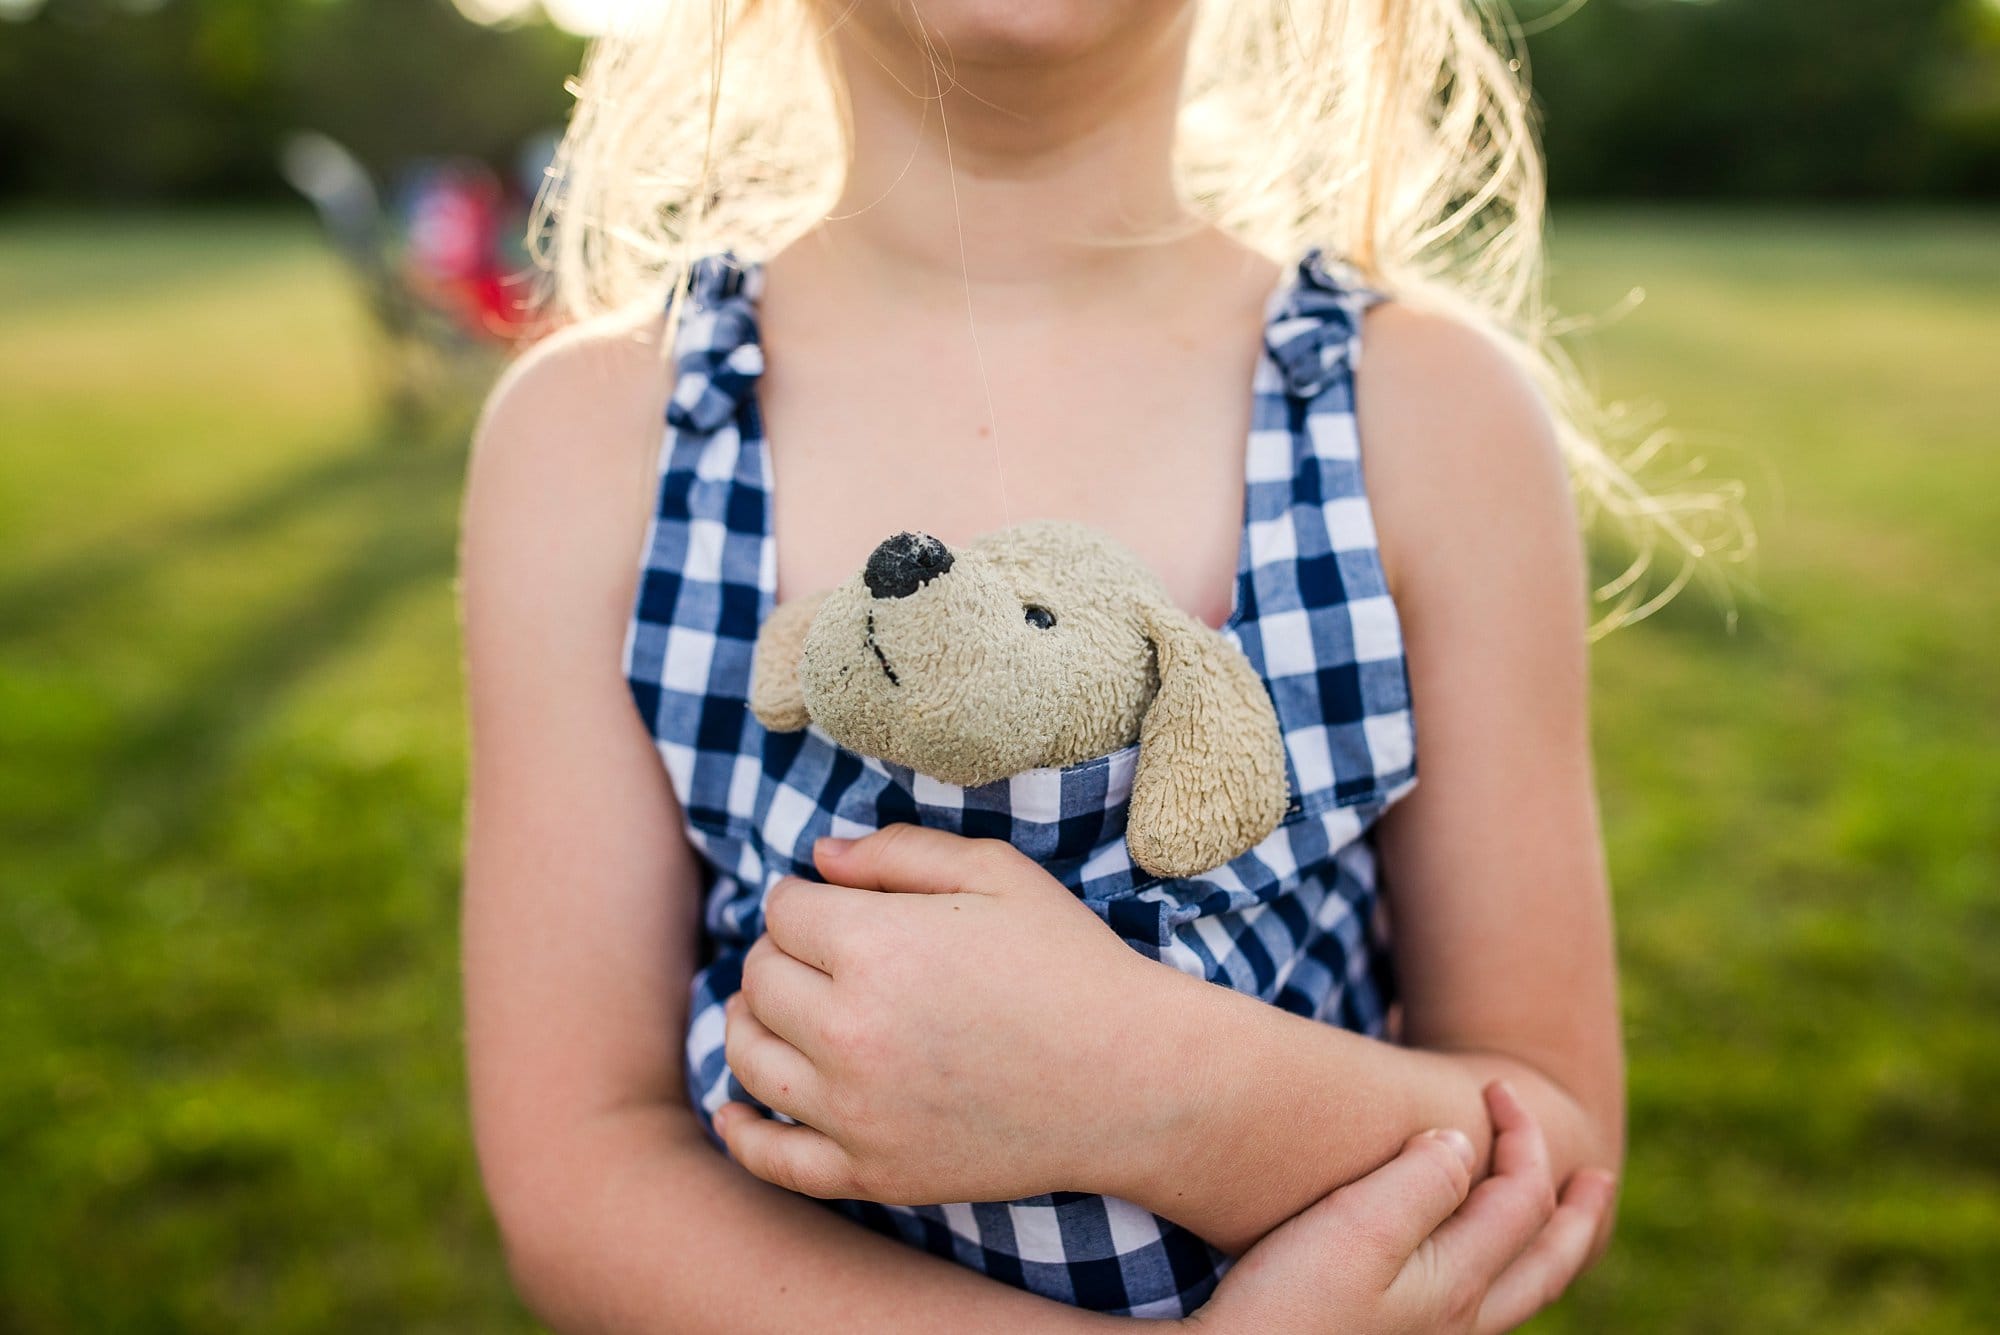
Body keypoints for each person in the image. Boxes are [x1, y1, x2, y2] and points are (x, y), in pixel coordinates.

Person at [460, 1, 1642, 1328]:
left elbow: (1553, 1138)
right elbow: (581, 1171)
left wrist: (1143, 1088)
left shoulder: (1429, 417)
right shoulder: (594, 438)